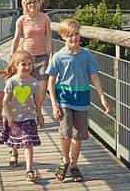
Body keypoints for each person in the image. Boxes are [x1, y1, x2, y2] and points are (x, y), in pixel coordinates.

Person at [45, 19, 110, 182]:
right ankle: (65, 159)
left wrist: (102, 96)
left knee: (78, 134)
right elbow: (51, 81)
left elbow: (94, 76)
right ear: (62, 37)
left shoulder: (86, 55)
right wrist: (54, 104)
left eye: (76, 34)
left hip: (81, 99)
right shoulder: (59, 57)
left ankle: (74, 164)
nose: (74, 38)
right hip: (64, 99)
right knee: (66, 132)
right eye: (69, 35)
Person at [0, 51, 44, 182]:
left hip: (28, 117)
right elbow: (5, 101)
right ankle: (15, 152)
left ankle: (29, 170)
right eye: (23, 64)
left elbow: (37, 100)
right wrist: (9, 116)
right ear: (16, 66)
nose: (27, 67)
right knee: (15, 138)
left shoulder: (34, 82)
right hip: (13, 117)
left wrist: (39, 115)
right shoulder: (12, 81)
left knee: (28, 142)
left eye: (29, 64)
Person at [11, 0, 53, 108]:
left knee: (43, 86)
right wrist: (12, 56)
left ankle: (37, 109)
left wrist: (51, 54)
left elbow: (49, 37)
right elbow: (16, 39)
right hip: (26, 57)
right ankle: (26, 110)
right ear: (25, 5)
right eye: (29, 2)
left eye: (34, 2)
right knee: (26, 85)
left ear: (38, 3)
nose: (32, 4)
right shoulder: (21, 20)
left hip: (42, 56)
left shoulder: (45, 18)